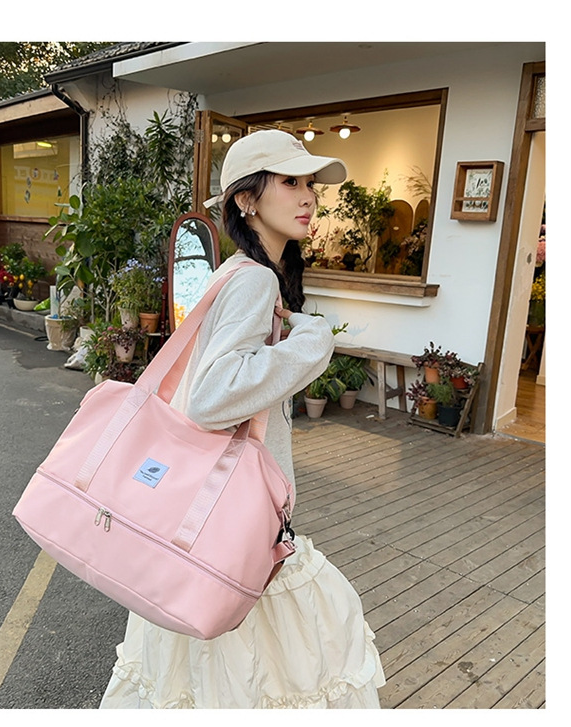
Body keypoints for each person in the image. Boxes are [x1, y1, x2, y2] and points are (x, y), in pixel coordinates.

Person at [99, 129, 385, 709]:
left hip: (219, 511)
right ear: (246, 199)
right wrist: (313, 339)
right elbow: (213, 396)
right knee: (300, 649)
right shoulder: (255, 278)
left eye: (310, 184)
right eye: (290, 181)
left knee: (212, 670)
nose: (308, 196)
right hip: (242, 515)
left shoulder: (235, 271)